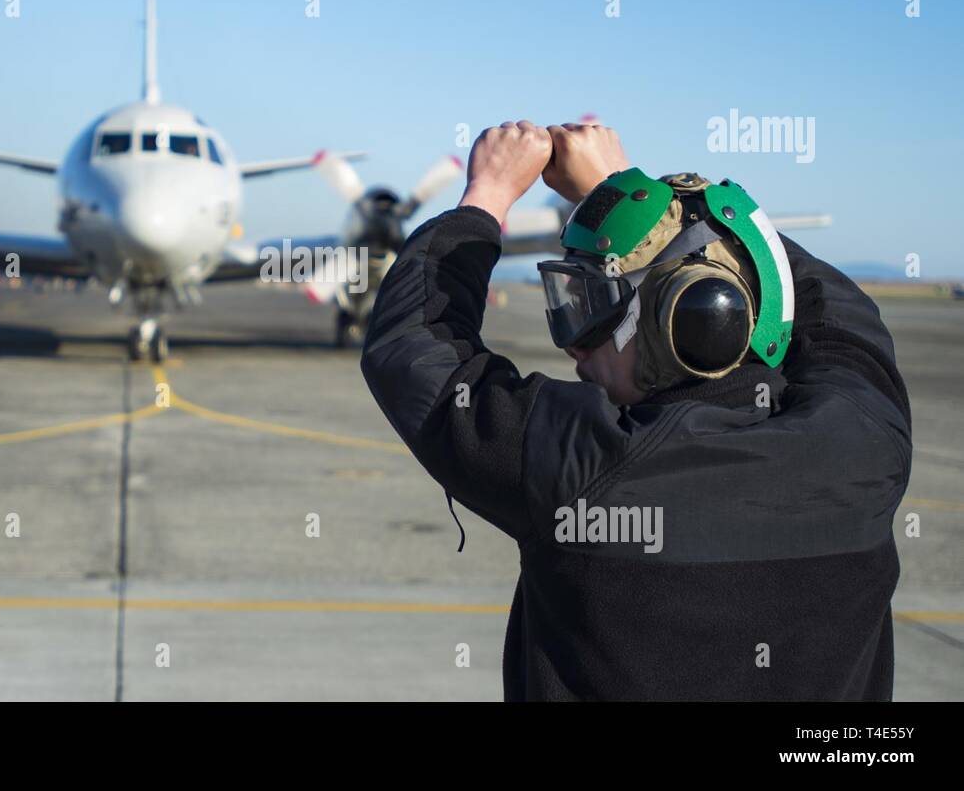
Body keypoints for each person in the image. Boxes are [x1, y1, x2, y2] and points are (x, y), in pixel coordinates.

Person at [360, 120, 912, 700]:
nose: (575, 348)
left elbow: (414, 347)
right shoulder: (865, 442)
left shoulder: (585, 471)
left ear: (681, 321)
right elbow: (840, 314)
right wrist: (637, 204)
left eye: (591, 310)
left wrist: (487, 194)